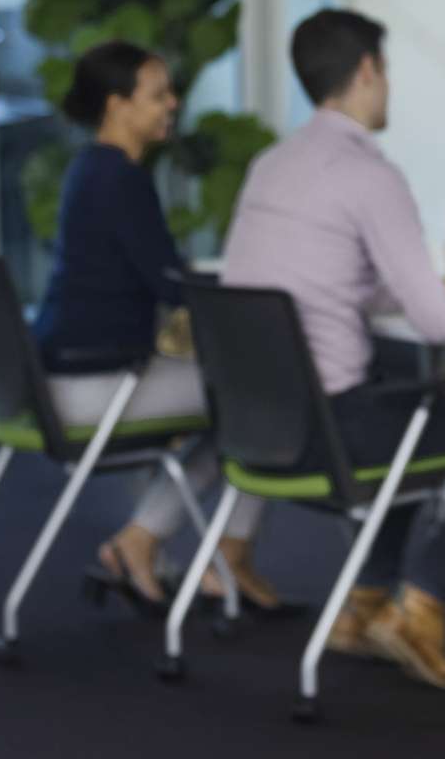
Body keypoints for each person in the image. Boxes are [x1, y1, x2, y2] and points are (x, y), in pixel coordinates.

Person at [221, 9, 445, 691]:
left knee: (403, 408)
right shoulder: (371, 175)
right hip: (337, 434)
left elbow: (340, 288)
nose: (389, 85)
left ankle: (362, 607)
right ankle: (421, 607)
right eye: (387, 70)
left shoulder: (270, 166)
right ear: (367, 71)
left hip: (258, 432)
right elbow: (437, 328)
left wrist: (441, 284)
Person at [29, 41, 282, 617]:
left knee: (236, 405)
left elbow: (159, 275)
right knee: (265, 404)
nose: (172, 105)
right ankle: (183, 553)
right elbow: (173, 284)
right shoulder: (121, 180)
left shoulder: (90, 170)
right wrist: (265, 290)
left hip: (62, 379)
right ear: (117, 106)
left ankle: (151, 544)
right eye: (158, 95)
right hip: (98, 388)